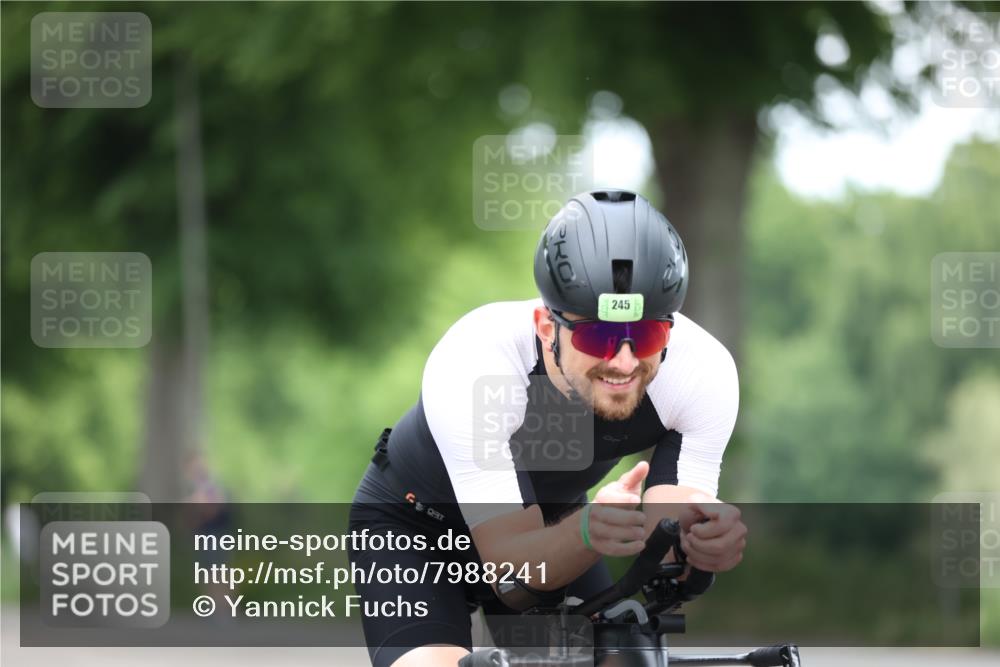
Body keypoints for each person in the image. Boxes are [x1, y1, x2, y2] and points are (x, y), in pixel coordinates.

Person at [348, 189, 747, 667]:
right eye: (597, 334)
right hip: (417, 533)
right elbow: (513, 576)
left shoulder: (702, 371)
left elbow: (669, 556)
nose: (622, 361)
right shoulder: (480, 360)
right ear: (545, 326)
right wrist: (586, 533)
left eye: (645, 334)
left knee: (627, 656)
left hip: (556, 526)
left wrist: (701, 550)